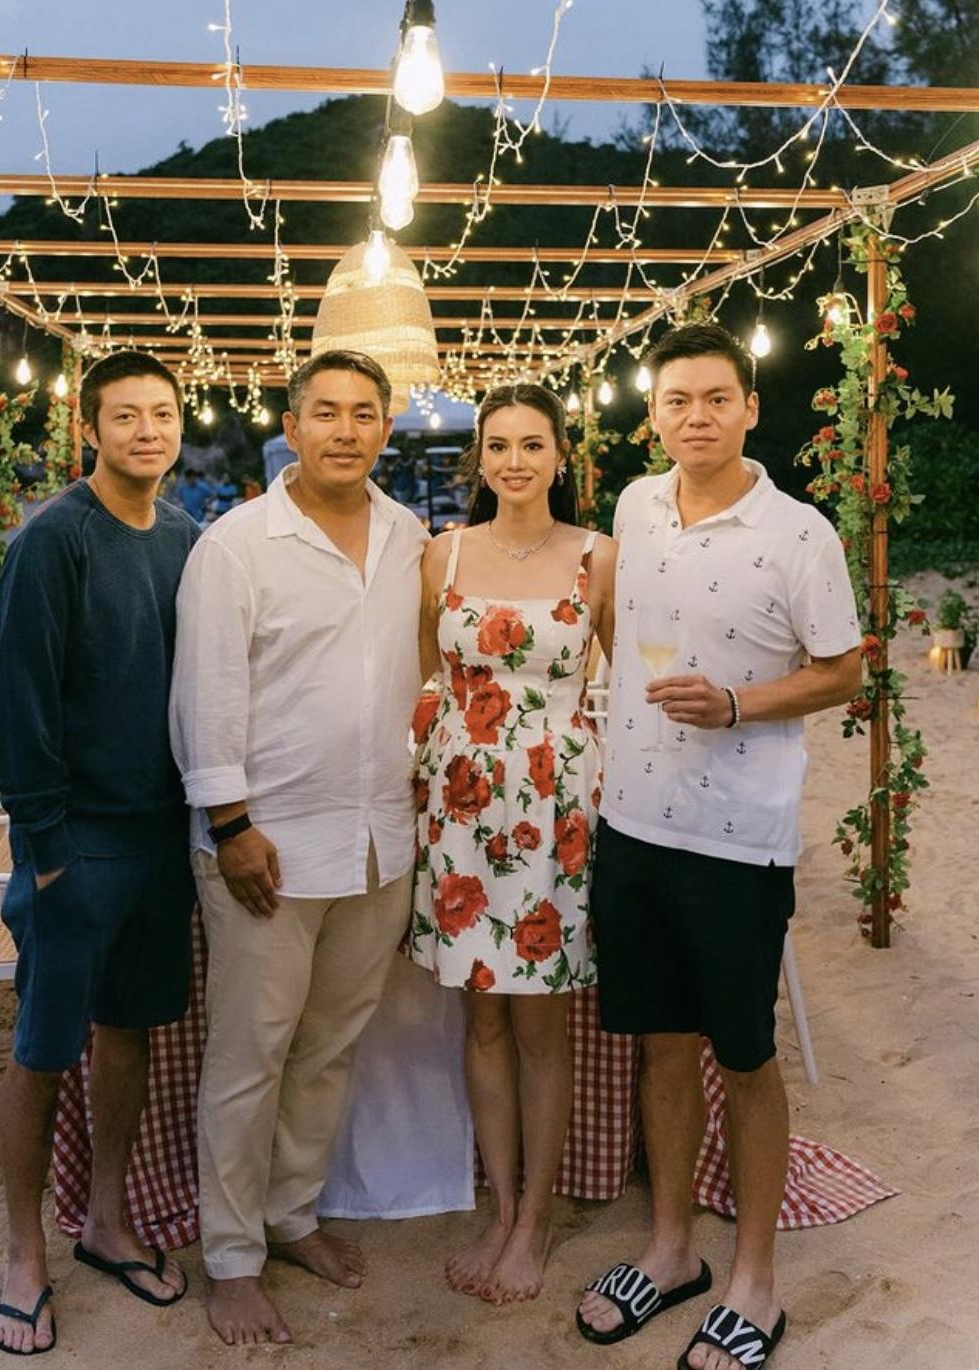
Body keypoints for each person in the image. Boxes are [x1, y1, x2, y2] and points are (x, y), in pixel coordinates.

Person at [576, 323, 862, 1369]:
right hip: (631, 823)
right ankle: (670, 1251)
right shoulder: (634, 506)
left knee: (743, 1055)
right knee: (659, 1045)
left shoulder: (799, 533)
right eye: (676, 400)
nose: (694, 416)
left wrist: (735, 703)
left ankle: (754, 1279)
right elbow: (621, 632)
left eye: (714, 398)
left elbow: (842, 672)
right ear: (652, 415)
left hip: (737, 840)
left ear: (750, 408)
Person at [169, 349, 428, 1347]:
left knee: (325, 1050)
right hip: (266, 846)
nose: (345, 431)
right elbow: (205, 694)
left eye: (364, 413)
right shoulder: (236, 545)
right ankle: (232, 1257)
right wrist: (230, 826)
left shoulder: (408, 536)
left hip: (375, 841)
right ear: (291, 425)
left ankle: (290, 1214)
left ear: (385, 429)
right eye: (326, 412)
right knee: (249, 1056)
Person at [0, 351, 200, 1355]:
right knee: (42, 1051)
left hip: (161, 838)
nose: (147, 431)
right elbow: (20, 706)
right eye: (126, 416)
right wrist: (44, 851)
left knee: (130, 1035)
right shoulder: (52, 541)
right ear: (90, 428)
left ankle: (107, 1220)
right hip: (75, 846)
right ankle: (22, 1255)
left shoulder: (188, 539)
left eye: (161, 414)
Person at [407, 383, 616, 1303]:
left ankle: (535, 1220)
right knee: (482, 1017)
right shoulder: (441, 554)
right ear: (480, 457)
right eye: (500, 445)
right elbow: (424, 679)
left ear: (561, 456)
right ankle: (499, 1210)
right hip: (460, 809)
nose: (516, 461)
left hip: (556, 810)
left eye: (534, 444)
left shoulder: (599, 557)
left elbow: (633, 682)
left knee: (539, 1021)